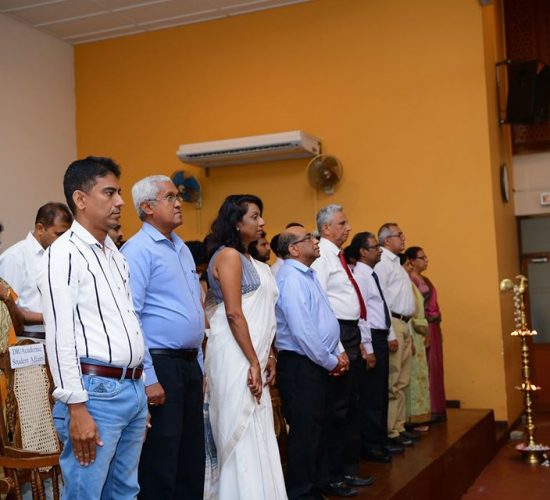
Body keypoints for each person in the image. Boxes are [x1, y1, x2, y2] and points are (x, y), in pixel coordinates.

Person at [38, 156, 147, 499]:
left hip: (130, 388)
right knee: (86, 493)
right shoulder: (63, 254)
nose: (120, 202)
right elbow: (59, 336)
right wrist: (76, 406)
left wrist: (140, 388)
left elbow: (128, 323)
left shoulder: (115, 255)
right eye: (110, 193)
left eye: (119, 193)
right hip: (94, 394)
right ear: (80, 199)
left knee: (125, 492)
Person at [121, 175, 205, 499]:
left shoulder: (181, 248)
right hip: (161, 365)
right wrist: (150, 377)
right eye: (170, 197)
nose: (178, 202)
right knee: (162, 457)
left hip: (189, 364)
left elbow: (193, 309)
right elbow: (132, 315)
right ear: (147, 207)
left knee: (191, 455)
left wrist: (200, 365)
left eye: (177, 196)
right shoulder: (137, 250)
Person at [204, 194, 286, 500]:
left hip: (255, 354)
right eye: (254, 216)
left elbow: (266, 316)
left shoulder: (254, 261)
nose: (262, 222)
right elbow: (234, 313)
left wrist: (269, 355)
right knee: (241, 431)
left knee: (259, 430)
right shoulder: (228, 256)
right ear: (237, 223)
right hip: (236, 355)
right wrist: (253, 360)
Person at [275, 226, 349, 500]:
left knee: (320, 426)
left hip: (317, 361)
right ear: (293, 249)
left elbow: (324, 316)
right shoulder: (290, 279)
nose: (316, 241)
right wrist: (331, 361)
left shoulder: (308, 274)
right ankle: (301, 492)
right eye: (309, 238)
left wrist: (338, 352)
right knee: (305, 431)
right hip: (301, 364)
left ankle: (319, 484)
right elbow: (303, 331)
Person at [311, 205, 374, 496]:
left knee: (350, 405)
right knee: (338, 407)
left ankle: (347, 470)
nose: (348, 228)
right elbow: (321, 300)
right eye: (341, 223)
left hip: (349, 331)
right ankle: (334, 475)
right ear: (326, 228)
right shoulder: (322, 256)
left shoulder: (337, 255)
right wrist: (336, 344)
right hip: (336, 332)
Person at [347, 232, 403, 464]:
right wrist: (368, 348)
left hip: (380, 336)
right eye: (374, 247)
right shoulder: (360, 276)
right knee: (371, 395)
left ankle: (380, 440)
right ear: (362, 251)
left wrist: (388, 334)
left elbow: (380, 308)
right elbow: (362, 314)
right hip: (371, 338)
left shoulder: (371, 274)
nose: (379, 250)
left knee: (381, 393)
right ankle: (370, 445)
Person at [0, 203, 72, 341]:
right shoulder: (15, 257)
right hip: (26, 341)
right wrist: (52, 317)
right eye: (59, 234)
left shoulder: (61, 257)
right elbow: (8, 310)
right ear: (40, 229)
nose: (64, 241)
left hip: (59, 339)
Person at [374, 223, 418, 447]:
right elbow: (382, 300)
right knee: (393, 381)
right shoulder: (383, 263)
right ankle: (390, 431)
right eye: (399, 235)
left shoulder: (397, 264)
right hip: (393, 323)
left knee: (402, 380)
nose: (403, 238)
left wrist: (409, 333)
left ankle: (399, 426)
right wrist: (390, 333)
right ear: (386, 240)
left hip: (404, 324)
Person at [406, 246, 447, 422]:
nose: (426, 260)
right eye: (422, 258)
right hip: (422, 327)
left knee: (436, 366)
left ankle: (437, 407)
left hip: (433, 325)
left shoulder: (425, 280)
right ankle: (426, 409)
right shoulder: (410, 280)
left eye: (426, 257)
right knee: (425, 366)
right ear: (411, 261)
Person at [401, 252, 431, 430]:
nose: (409, 268)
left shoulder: (410, 284)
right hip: (411, 332)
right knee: (410, 377)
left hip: (418, 334)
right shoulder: (404, 285)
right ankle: (410, 418)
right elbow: (408, 314)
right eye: (407, 265)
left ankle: (420, 416)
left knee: (419, 376)